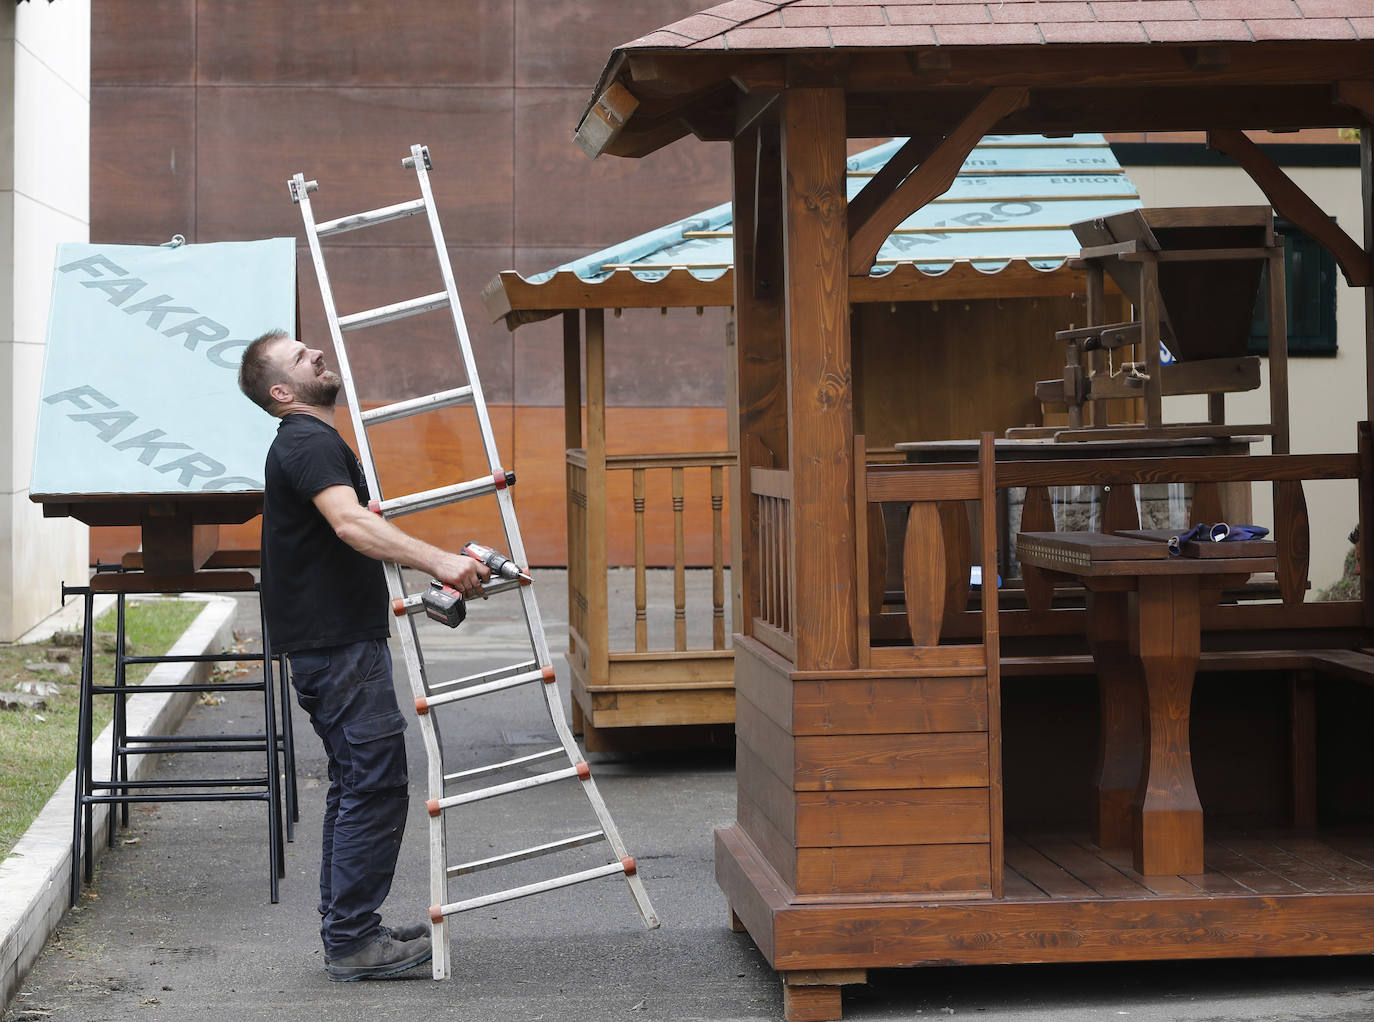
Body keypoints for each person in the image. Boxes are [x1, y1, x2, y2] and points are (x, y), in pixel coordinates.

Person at [237, 328, 489, 981]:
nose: (316, 352)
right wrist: (440, 560)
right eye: (299, 357)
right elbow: (349, 523)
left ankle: (352, 930)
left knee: (358, 781)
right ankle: (352, 943)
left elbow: (347, 525)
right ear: (283, 391)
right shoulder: (308, 440)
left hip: (331, 639)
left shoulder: (309, 442)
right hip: (335, 642)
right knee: (374, 781)